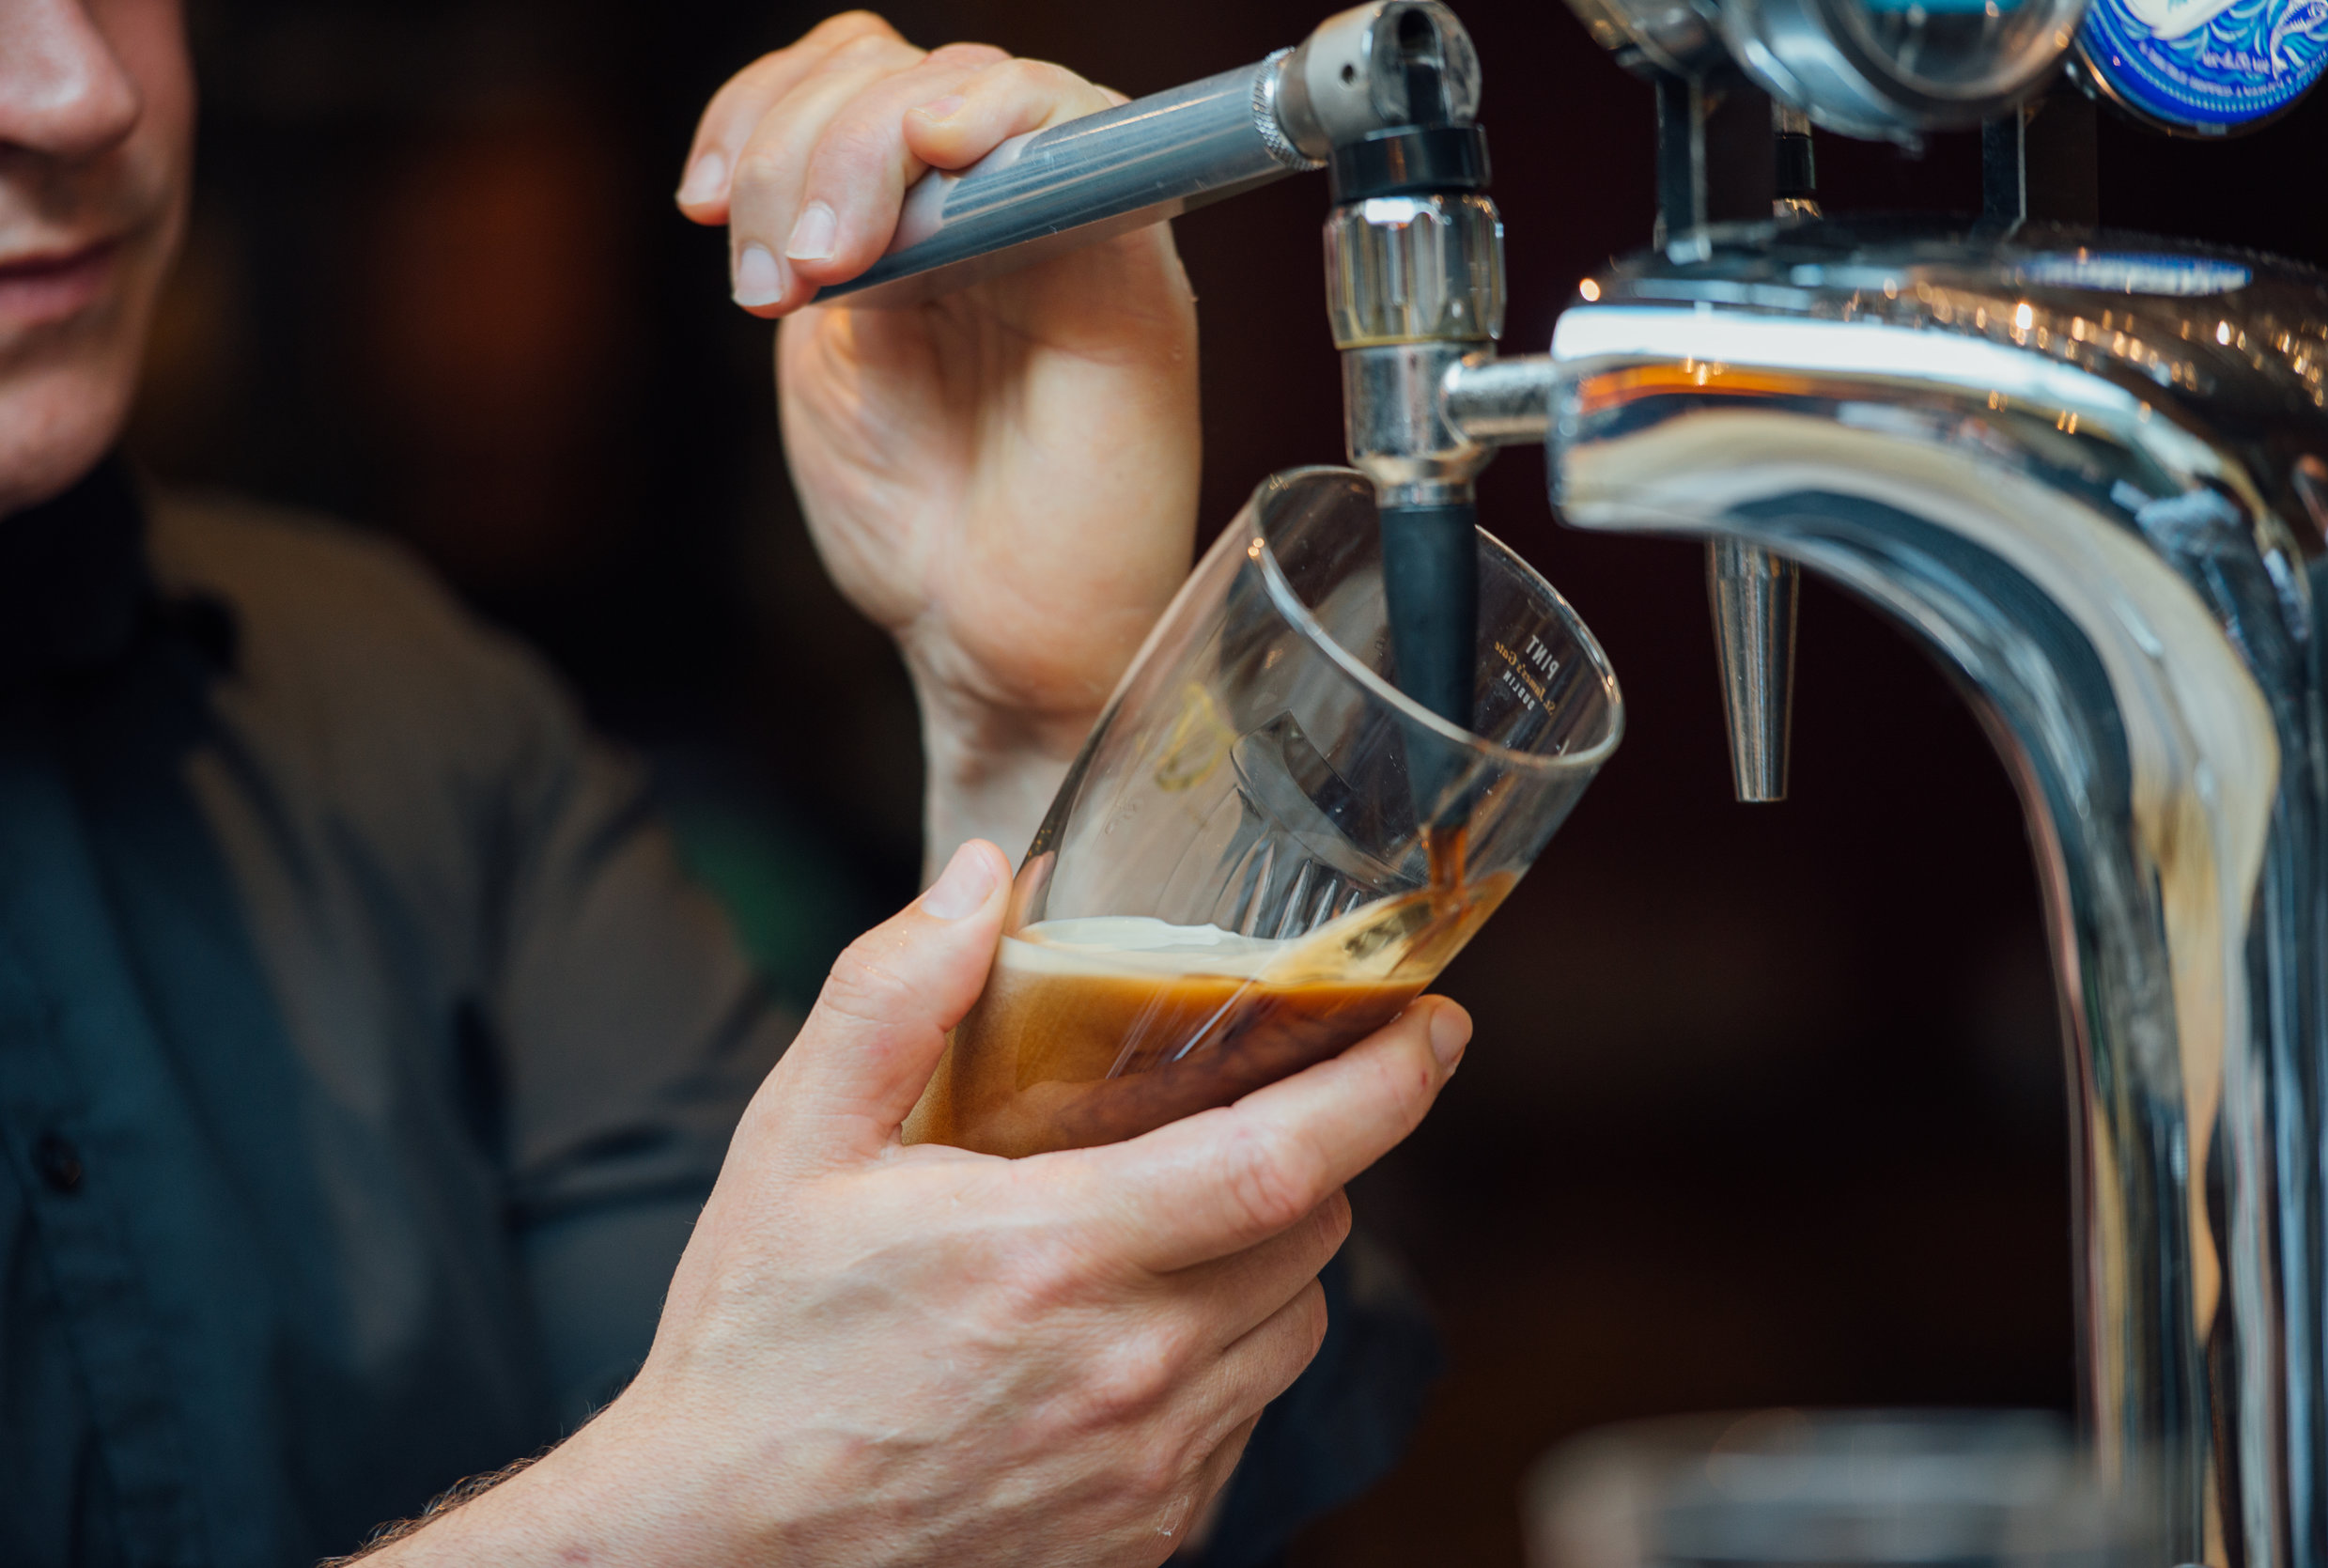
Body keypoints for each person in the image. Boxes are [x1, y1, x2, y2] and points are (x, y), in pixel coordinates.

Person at [0, 2, 1468, 1564]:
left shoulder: (413, 715)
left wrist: (1043, 743)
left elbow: (1017, 1419)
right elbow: (802, 1457)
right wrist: (707, 1516)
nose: (80, 92)